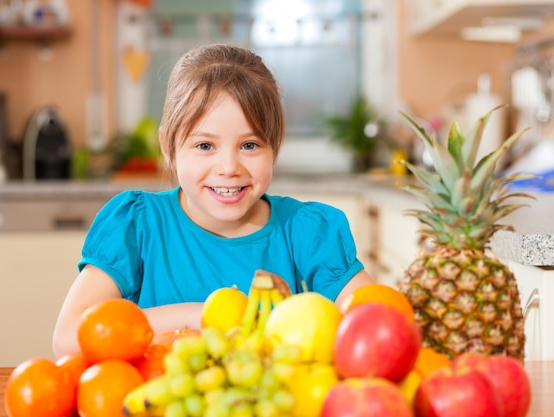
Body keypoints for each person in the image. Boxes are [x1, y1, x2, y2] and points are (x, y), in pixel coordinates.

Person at [52, 43, 375, 358]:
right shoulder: (138, 226)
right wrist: (200, 316)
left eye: (249, 145)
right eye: (205, 145)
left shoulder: (305, 232)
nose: (229, 168)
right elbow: (69, 338)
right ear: (169, 147)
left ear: (275, 146)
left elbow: (375, 322)